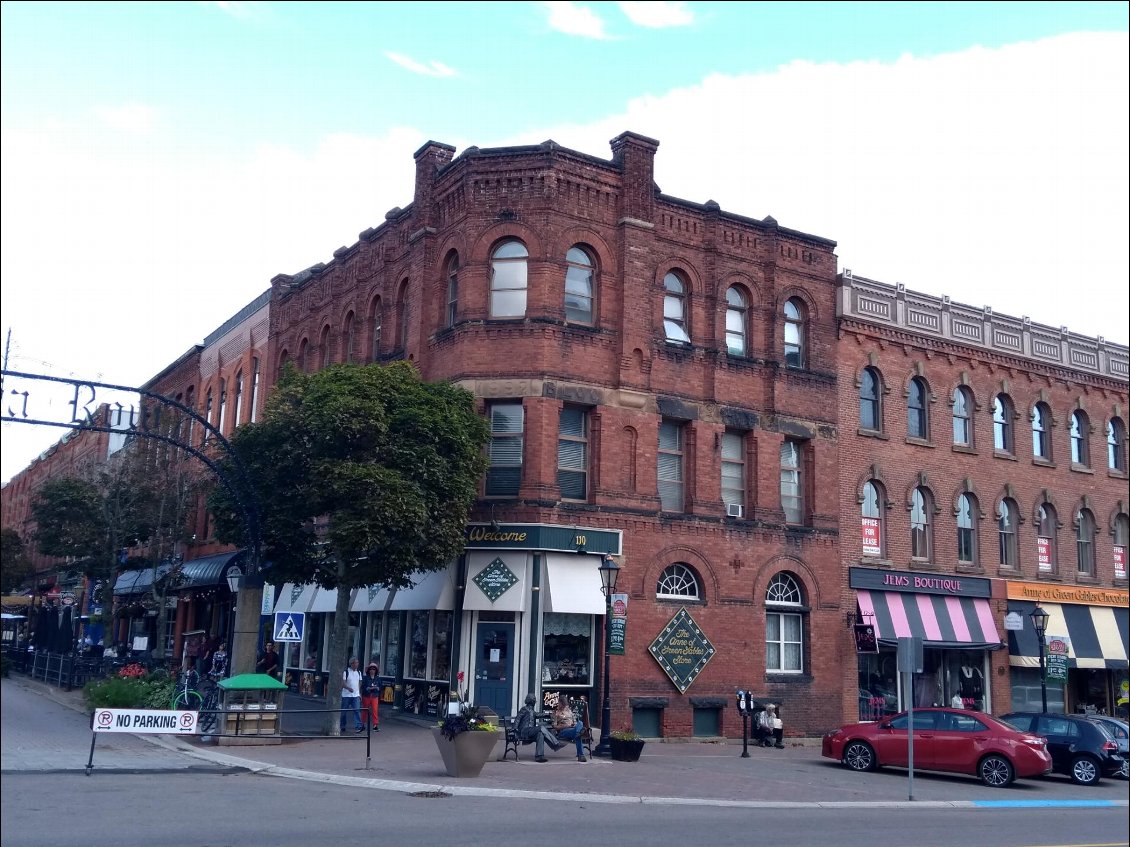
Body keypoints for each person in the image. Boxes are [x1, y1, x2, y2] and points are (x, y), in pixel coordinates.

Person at [551, 696, 587, 761]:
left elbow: (574, 721)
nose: (565, 706)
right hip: (563, 731)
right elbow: (554, 726)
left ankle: (578, 732)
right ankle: (581, 755)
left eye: (565, 705)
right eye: (563, 704)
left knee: (580, 723)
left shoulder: (569, 711)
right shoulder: (556, 712)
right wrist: (566, 726)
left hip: (573, 729)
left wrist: (574, 724)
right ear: (559, 703)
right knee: (578, 734)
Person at [340, 657, 364, 733]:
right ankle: (342, 726)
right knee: (344, 711)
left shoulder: (359, 672)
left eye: (357, 663)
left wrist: (359, 692)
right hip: (346, 695)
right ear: (351, 664)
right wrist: (348, 688)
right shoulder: (346, 672)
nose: (357, 664)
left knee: (357, 711)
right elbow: (343, 683)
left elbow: (359, 682)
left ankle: (358, 726)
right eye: (355, 663)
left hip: (355, 695)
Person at [360, 661, 381, 732]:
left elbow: (379, 688)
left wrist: (375, 688)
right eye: (371, 669)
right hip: (366, 696)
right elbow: (364, 687)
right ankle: (362, 724)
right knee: (365, 710)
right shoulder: (365, 678)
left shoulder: (378, 678)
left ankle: (375, 725)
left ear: (376, 670)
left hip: (375, 696)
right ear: (369, 670)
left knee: (375, 711)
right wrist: (372, 688)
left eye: (374, 669)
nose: (372, 670)